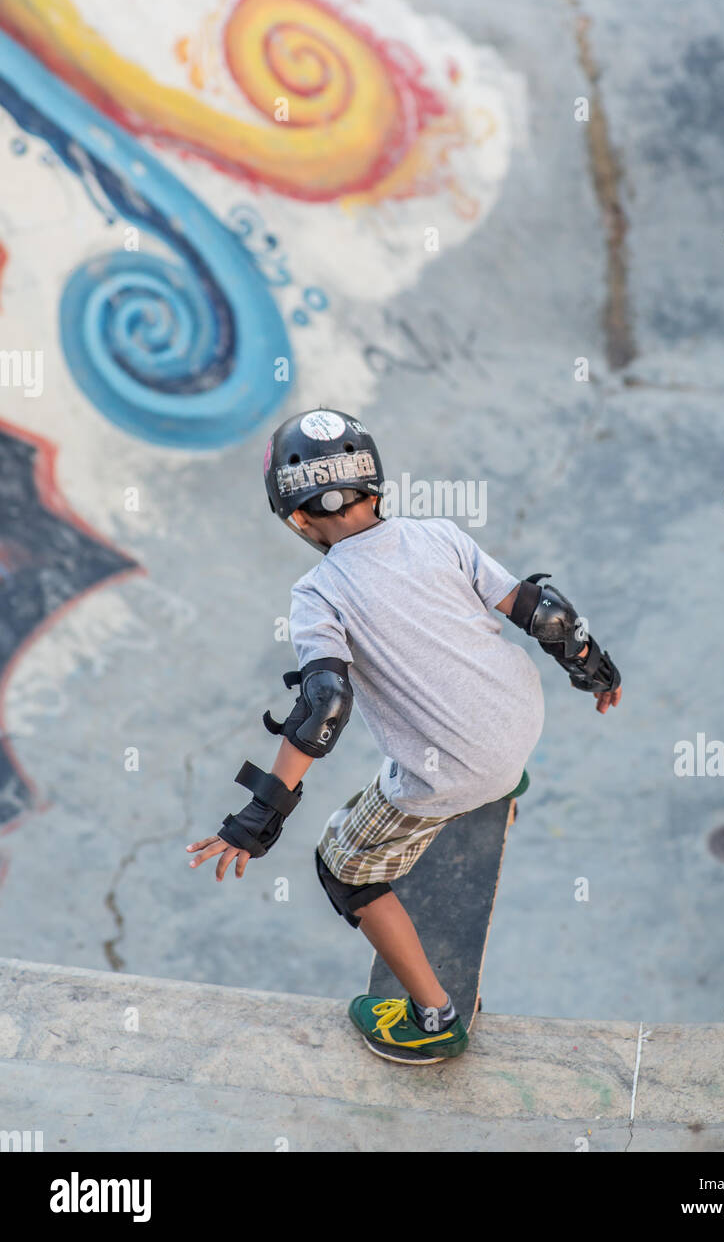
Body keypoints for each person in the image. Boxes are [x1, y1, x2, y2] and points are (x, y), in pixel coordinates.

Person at [188, 408, 622, 1063]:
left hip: (458, 768)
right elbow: (543, 612)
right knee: (474, 726)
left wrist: (261, 814)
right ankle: (494, 778)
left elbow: (324, 705)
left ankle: (435, 1016)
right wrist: (593, 669)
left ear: (298, 520)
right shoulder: (439, 535)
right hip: (520, 718)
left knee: (343, 868)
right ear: (375, 486)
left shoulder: (318, 593)